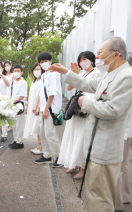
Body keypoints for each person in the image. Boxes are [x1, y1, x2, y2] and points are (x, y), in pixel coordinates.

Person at [49, 37, 132, 212]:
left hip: (105, 147)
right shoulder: (110, 74)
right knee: (95, 193)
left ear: (115, 55)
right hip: (97, 145)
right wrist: (66, 72)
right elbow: (87, 84)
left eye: (100, 52)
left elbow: (113, 110)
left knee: (99, 197)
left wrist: (84, 103)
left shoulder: (126, 77)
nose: (97, 56)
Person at [58, 51, 101, 179]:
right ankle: (75, 163)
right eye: (80, 60)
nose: (82, 62)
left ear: (92, 60)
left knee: (83, 138)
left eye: (85, 59)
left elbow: (92, 91)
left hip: (86, 109)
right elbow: (70, 88)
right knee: (75, 136)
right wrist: (75, 74)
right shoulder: (83, 73)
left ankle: (83, 167)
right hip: (78, 109)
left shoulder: (96, 73)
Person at [33, 51, 63, 168]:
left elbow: (52, 94)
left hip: (51, 109)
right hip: (43, 108)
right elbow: (42, 93)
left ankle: (59, 157)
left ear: (50, 61)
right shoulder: (44, 75)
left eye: (46, 61)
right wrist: (38, 107)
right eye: (41, 62)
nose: (44, 63)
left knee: (50, 133)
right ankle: (47, 155)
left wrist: (46, 109)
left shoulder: (54, 74)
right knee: (42, 132)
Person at [115, 51, 132, 211]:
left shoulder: (127, 77)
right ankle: (125, 196)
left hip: (125, 128)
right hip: (128, 129)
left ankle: (118, 203)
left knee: (118, 165)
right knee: (125, 163)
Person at [23, 63, 44, 154]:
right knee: (36, 127)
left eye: (38, 69)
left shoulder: (43, 81)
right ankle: (39, 146)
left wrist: (37, 106)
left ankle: (41, 147)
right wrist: (28, 106)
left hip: (38, 107)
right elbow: (31, 95)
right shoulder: (34, 81)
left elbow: (41, 95)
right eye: (35, 69)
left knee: (39, 127)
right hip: (32, 106)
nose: (36, 71)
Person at [8, 65, 27, 149]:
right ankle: (15, 140)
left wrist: (13, 101)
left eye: (18, 71)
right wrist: (9, 101)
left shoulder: (23, 82)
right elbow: (10, 94)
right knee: (14, 124)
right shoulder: (12, 82)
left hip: (19, 105)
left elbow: (22, 96)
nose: (16, 72)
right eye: (15, 71)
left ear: (21, 72)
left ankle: (19, 142)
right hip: (13, 105)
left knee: (20, 124)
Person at [0, 61, 11, 142]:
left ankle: (4, 134)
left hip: (3, 100)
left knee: (3, 118)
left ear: (2, 68)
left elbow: (8, 84)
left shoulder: (5, 77)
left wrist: (2, 75)